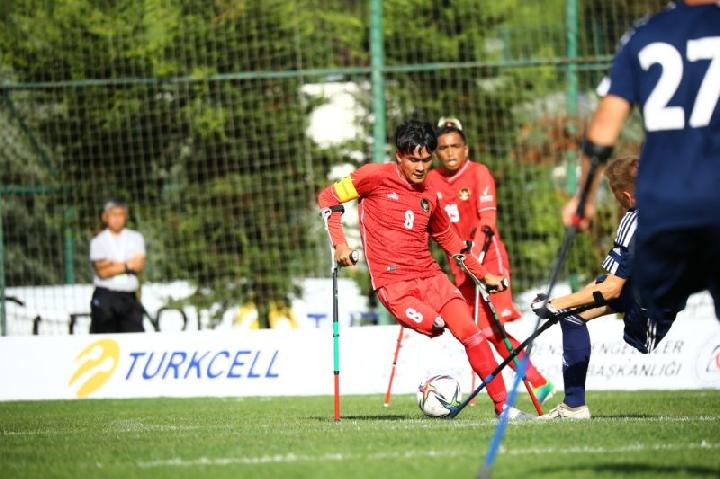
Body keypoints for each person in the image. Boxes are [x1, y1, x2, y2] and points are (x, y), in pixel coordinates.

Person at [318, 120, 532, 419]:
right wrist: (339, 244)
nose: (420, 167)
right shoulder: (372, 176)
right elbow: (328, 197)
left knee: (472, 333)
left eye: (426, 159)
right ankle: (434, 390)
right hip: (394, 286)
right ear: (399, 156)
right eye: (413, 159)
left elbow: (450, 241)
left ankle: (504, 407)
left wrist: (484, 275)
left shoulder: (432, 190)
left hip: (431, 276)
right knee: (436, 325)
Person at [562, 1, 720, 329]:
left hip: (664, 207)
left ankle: (643, 322)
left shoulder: (644, 35)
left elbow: (604, 129)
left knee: (645, 303)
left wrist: (583, 198)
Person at [426, 118, 554, 403]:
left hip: (488, 260)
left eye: (455, 146)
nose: (449, 152)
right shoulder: (431, 180)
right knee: (474, 331)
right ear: (436, 153)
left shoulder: (479, 173)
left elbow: (488, 218)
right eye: (443, 148)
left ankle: (535, 381)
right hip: (459, 265)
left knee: (491, 330)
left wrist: (476, 252)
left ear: (466, 149)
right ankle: (533, 382)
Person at [537, 157, 672, 419]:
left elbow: (610, 289)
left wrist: (554, 305)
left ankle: (574, 405)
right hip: (655, 293)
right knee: (574, 315)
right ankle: (574, 406)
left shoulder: (635, 220)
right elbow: (607, 281)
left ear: (626, 196)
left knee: (572, 308)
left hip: (649, 309)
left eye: (614, 195)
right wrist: (563, 305)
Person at [89, 198, 146, 333]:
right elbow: (102, 272)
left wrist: (112, 264)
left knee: (135, 338)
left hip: (129, 296)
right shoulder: (98, 240)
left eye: (121, 215)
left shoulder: (136, 237)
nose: (117, 219)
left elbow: (138, 265)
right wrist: (127, 265)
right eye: (114, 215)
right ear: (105, 217)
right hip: (106, 295)